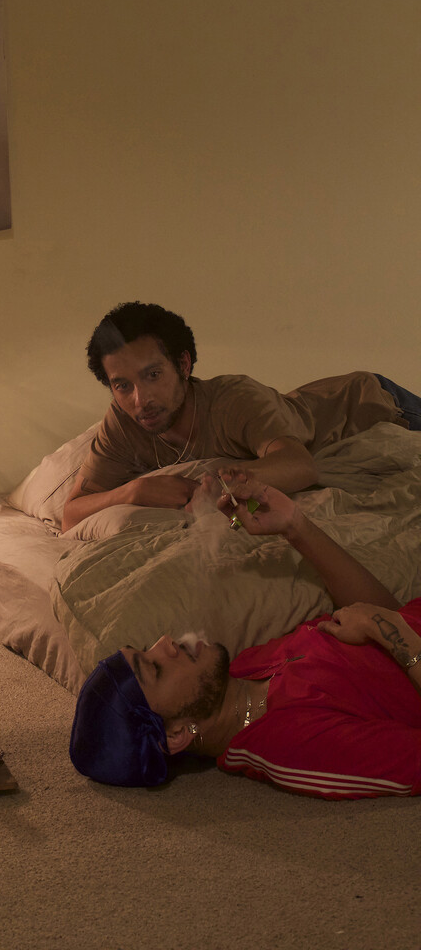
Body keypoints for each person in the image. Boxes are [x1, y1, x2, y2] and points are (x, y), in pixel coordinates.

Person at [69, 471, 421, 799]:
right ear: (177, 734)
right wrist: (395, 636)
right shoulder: (289, 745)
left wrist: (294, 526)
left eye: (147, 649)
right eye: (155, 668)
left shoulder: (244, 669)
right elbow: (391, 630)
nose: (165, 644)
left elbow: (387, 618)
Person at [61, 300, 421, 532]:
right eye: (122, 385)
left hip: (371, 404)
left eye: (153, 375)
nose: (140, 400)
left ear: (183, 365)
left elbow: (299, 465)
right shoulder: (122, 423)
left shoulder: (233, 399)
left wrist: (220, 484)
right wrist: (132, 491)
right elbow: (71, 513)